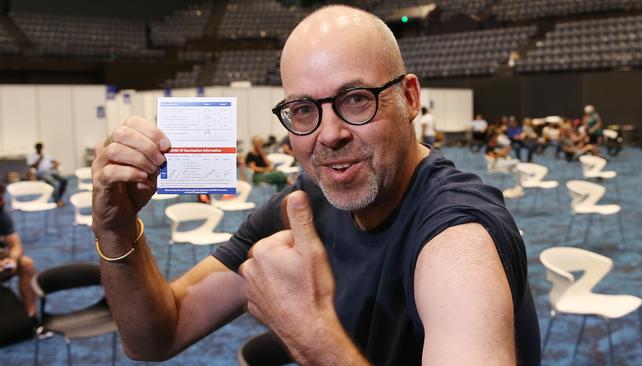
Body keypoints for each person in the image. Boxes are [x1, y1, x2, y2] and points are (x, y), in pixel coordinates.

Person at [91, 5, 540, 366]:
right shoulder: (301, 205)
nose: (328, 134)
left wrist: (309, 335)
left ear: (409, 98)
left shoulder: (457, 238)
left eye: (356, 99)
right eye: (304, 110)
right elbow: (155, 337)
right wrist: (115, 227)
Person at [0, 183, 37, 320]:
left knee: (26, 264)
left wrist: (12, 260)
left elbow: (15, 245)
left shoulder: (1, 213)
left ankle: (31, 318)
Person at [26, 142, 67, 207]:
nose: (40, 149)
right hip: (41, 173)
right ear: (36, 148)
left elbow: (56, 161)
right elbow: (33, 166)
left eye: (41, 147)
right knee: (54, 183)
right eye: (38, 148)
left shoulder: (46, 155)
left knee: (64, 180)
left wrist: (56, 165)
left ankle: (59, 196)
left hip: (51, 171)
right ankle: (57, 201)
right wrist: (40, 159)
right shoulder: (32, 156)